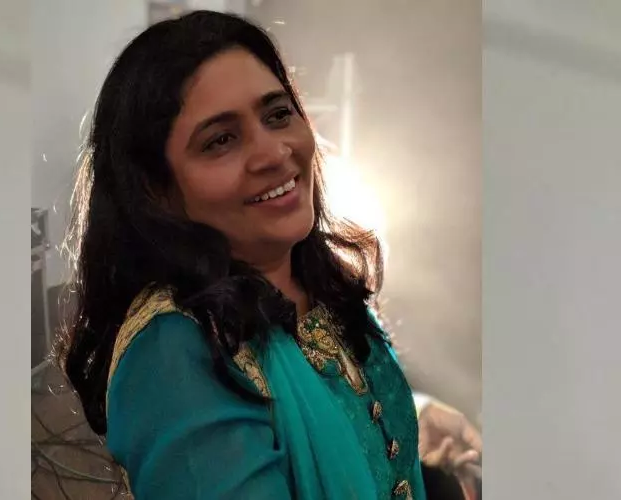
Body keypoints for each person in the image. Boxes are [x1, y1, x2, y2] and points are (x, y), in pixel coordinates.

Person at [58, 10, 480, 500]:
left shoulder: (311, 277)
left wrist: (419, 415)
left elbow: (336, 407)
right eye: (221, 140)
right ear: (156, 191)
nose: (274, 153)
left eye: (277, 114)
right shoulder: (175, 353)